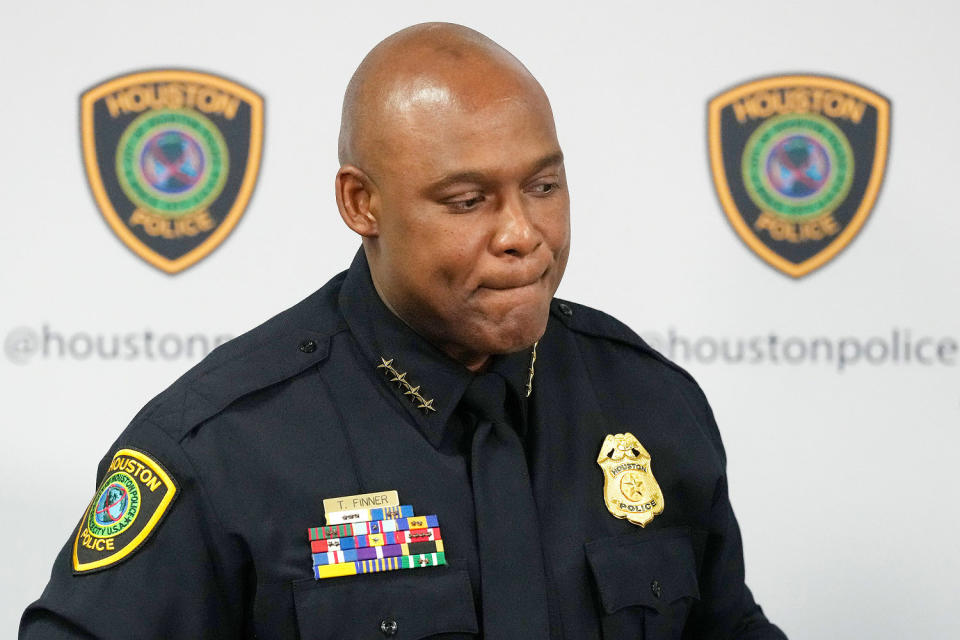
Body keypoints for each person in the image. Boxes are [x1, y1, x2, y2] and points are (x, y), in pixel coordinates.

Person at [21, 23, 787, 639]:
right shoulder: (219, 450)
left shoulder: (647, 402)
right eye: (467, 201)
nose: (524, 232)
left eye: (543, 186)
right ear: (362, 204)